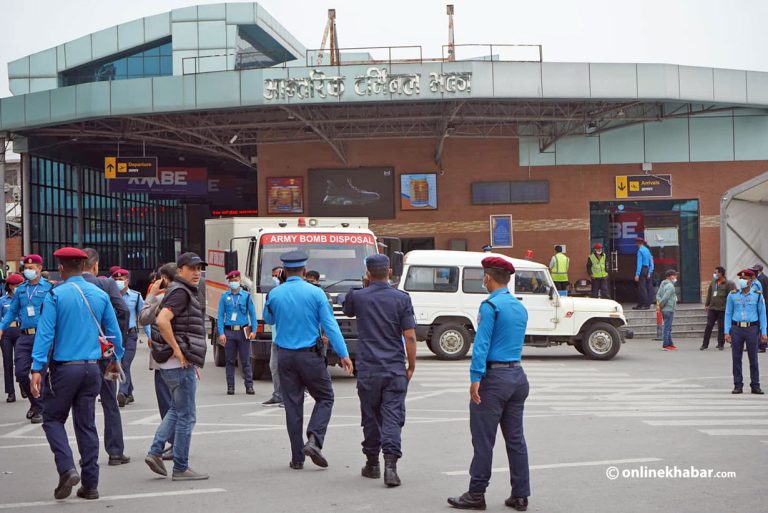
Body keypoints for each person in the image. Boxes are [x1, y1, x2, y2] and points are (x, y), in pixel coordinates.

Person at [30, 247, 123, 501]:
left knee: (52, 419)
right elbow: (113, 334)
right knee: (87, 424)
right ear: (85, 267)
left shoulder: (56, 295)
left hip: (64, 369)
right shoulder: (100, 294)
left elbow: (45, 334)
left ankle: (67, 468)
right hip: (92, 368)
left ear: (60, 267)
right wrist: (116, 358)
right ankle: (90, 484)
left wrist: (37, 368)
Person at [448, 256, 530, 512]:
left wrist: (475, 378)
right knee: (515, 439)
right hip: (517, 376)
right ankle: (520, 495)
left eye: (484, 275)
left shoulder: (490, 306)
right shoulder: (519, 307)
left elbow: (482, 344)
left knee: (483, 440)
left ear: (488, 277)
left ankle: (476, 494)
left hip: (494, 380)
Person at [262, 250, 353, 470]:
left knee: (293, 406)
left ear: (284, 271)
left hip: (285, 356)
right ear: (304, 270)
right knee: (325, 397)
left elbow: (268, 318)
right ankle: (314, 439)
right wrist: (343, 354)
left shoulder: (274, 294)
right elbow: (330, 325)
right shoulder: (316, 293)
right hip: (310, 356)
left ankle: (297, 459)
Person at [342, 254, 417, 487]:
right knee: (392, 417)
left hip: (368, 369)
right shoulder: (401, 299)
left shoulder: (358, 297)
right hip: (394, 367)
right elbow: (410, 336)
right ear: (390, 272)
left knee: (371, 416)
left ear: (368, 273)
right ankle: (391, 468)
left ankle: (373, 464)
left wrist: (364, 286)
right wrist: (411, 365)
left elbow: (347, 309)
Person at [145, 252, 209, 481]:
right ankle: (180, 467)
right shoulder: (181, 292)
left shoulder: (180, 291)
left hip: (177, 364)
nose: (196, 272)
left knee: (176, 409)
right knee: (187, 415)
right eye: (192, 268)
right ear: (180, 270)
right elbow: (163, 320)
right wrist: (179, 351)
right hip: (177, 364)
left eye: (199, 268)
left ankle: (155, 451)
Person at [81, 248, 131, 465]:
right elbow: (124, 311)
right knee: (110, 401)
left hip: (80, 353)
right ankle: (115, 452)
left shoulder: (65, 287)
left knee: (84, 405)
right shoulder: (106, 284)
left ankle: (87, 456)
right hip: (106, 353)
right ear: (95, 265)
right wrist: (111, 337)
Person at [0, 254, 52, 423]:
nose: (28, 271)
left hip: (41, 336)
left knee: (40, 373)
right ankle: (35, 402)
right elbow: (12, 312)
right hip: (24, 336)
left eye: (31, 268)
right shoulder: (21, 290)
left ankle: (39, 408)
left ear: (39, 268)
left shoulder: (48, 288)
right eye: (26, 268)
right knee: (21, 372)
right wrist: (1, 327)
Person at [139, 263, 176, 461]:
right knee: (180, 404)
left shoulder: (161, 298)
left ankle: (172, 443)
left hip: (163, 359)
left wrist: (151, 295)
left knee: (168, 404)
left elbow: (143, 318)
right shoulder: (187, 296)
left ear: (164, 279)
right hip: (180, 358)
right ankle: (177, 444)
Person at [725, 269, 767, 395]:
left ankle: (755, 385)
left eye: (746, 279)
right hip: (737, 328)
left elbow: (762, 314)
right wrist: (727, 332)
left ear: (751, 280)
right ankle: (738, 385)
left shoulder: (758, 295)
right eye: (741, 279)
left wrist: (763, 332)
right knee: (736, 358)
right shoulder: (732, 295)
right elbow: (728, 313)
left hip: (751, 328)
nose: (743, 281)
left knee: (753, 358)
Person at [111, 269, 149, 407]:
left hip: (131, 335)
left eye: (122, 279)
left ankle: (122, 392)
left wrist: (150, 336)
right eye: (116, 280)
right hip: (116, 336)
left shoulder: (136, 296)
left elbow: (143, 317)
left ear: (128, 280)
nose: (119, 282)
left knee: (124, 363)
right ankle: (129, 391)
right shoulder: (110, 297)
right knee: (119, 362)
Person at [217, 270, 257, 395]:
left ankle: (249, 386)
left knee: (245, 360)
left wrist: (254, 330)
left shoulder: (246, 296)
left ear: (240, 281)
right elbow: (220, 315)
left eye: (236, 280)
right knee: (230, 361)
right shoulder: (224, 297)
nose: (234, 282)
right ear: (229, 282)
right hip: (229, 332)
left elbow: (253, 314)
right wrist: (221, 333)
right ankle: (230, 386)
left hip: (243, 332)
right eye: (232, 281)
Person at [263, 267, 285, 407]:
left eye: (276, 276)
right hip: (276, 337)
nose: (274, 279)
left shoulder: (285, 293)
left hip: (287, 338)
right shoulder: (273, 294)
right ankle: (278, 395)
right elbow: (268, 319)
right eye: (273, 276)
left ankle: (290, 396)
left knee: (287, 368)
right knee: (274, 367)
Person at [0, 273, 24, 402]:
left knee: (20, 360)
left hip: (21, 330)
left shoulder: (24, 299)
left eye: (19, 285)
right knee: (7, 362)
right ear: (9, 286)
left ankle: (22, 383)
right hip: (7, 332)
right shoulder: (2, 301)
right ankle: (10, 392)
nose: (16, 287)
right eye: (14, 285)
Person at [701, 267, 735, 351]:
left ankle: (720, 344)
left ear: (721, 273)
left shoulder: (728, 284)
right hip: (712, 308)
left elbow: (732, 296)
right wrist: (707, 304)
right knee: (709, 326)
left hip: (723, 309)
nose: (715, 274)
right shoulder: (713, 283)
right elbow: (709, 294)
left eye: (716, 272)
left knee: (721, 327)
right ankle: (705, 344)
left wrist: (731, 307)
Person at [656, 269, 679, 351]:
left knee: (668, 327)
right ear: (670, 276)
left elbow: (658, 295)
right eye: (674, 275)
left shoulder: (663, 284)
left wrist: (660, 305)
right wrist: (662, 305)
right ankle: (666, 344)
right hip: (668, 308)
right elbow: (666, 297)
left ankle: (670, 343)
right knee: (667, 327)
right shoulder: (670, 286)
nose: (676, 277)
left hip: (665, 309)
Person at [633, 238, 655, 310]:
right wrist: (649, 272)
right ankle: (644, 304)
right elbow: (650, 262)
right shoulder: (647, 250)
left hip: (642, 269)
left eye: (636, 242)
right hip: (647, 269)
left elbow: (639, 263)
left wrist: (637, 274)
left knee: (642, 288)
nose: (635, 244)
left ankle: (644, 304)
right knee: (646, 287)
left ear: (638, 243)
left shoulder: (640, 251)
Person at [752, 264, 768, 352]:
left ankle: (762, 346)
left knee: (761, 325)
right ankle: (759, 345)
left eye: (755, 270)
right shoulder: (764, 277)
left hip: (762, 304)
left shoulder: (761, 279)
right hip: (764, 303)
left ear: (759, 270)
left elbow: (761, 293)